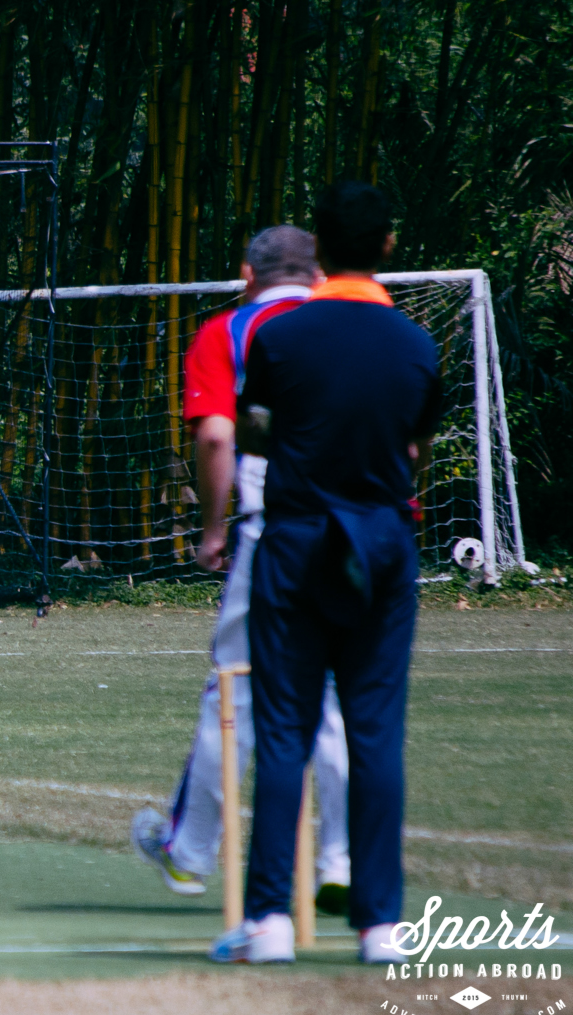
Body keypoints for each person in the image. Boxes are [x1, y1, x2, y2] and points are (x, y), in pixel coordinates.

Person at [210, 182, 441, 964]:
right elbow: (417, 451)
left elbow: (255, 432)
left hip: (298, 540)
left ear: (320, 247)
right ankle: (382, 925)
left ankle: (270, 920)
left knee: (284, 731)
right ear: (387, 244)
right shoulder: (417, 344)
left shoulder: (282, 335)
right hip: (380, 541)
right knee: (376, 733)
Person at [131, 226, 352, 915]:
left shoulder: (229, 331)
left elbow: (219, 434)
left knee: (234, 691)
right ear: (317, 275)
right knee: (338, 697)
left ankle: (191, 850)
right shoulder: (357, 327)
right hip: (357, 531)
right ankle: (341, 857)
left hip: (273, 527)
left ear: (246, 274)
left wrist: (214, 527)